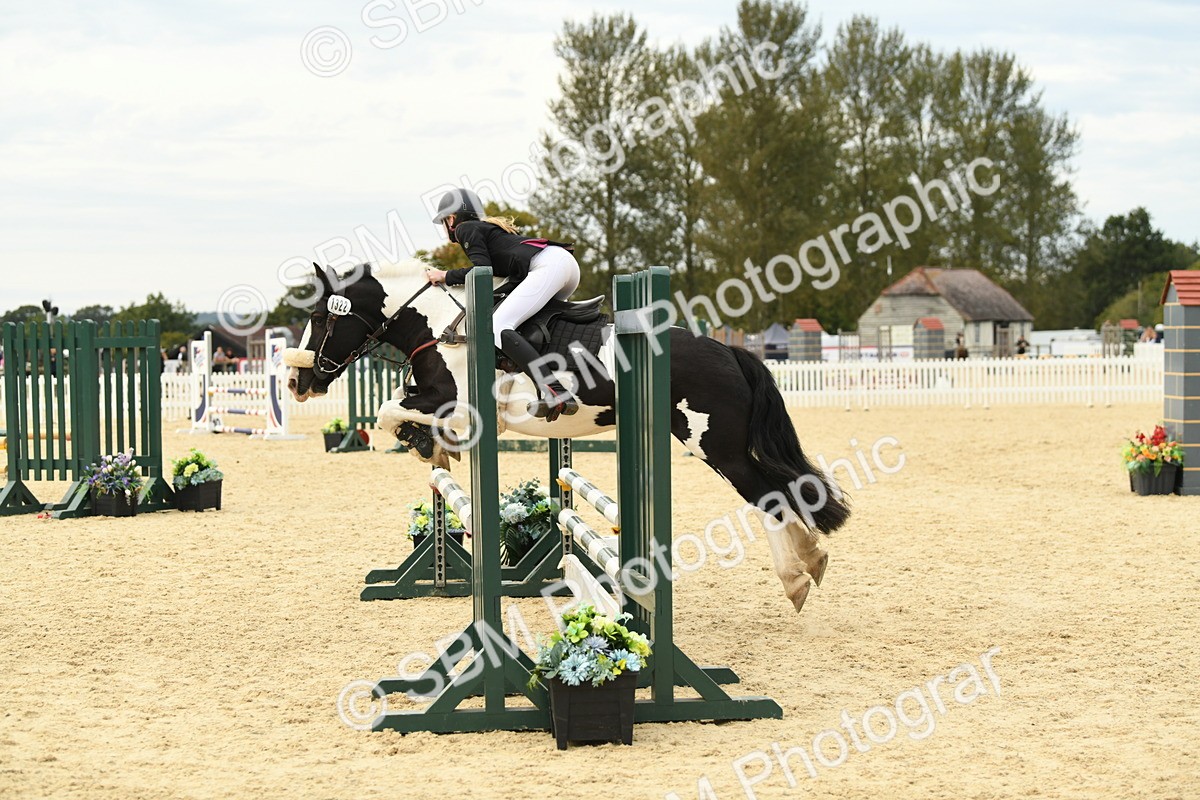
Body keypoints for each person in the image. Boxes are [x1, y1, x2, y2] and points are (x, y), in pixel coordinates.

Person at [423, 188, 581, 421]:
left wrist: (445, 275)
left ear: (452, 219)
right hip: (565, 266)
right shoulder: (487, 230)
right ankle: (545, 390)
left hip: (549, 266)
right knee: (527, 324)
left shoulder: (466, 229)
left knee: (498, 325)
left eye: (444, 221)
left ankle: (554, 389)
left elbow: (482, 272)